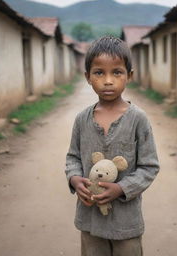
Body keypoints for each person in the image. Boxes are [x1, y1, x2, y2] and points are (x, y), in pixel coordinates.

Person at [65, 36, 160, 256]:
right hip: (90, 218)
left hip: (126, 222)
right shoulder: (82, 119)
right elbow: (73, 157)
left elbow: (149, 166)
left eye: (117, 72)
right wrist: (74, 178)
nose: (108, 80)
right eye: (99, 72)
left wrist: (121, 188)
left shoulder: (138, 119)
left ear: (129, 76)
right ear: (88, 77)